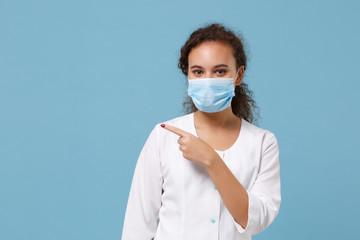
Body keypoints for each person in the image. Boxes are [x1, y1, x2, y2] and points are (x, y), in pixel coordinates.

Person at [121, 23, 281, 240]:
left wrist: (211, 160)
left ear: (238, 75)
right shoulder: (164, 135)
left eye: (220, 71)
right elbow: (137, 226)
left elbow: (256, 221)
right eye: (198, 71)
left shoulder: (262, 142)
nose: (208, 80)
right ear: (188, 75)